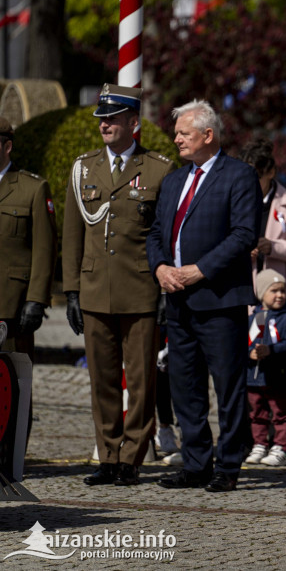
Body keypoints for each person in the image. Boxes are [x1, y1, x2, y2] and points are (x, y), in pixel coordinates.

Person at [62, 85, 176, 487]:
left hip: (141, 289)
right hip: (94, 289)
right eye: (101, 119)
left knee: (142, 381)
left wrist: (163, 290)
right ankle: (107, 455)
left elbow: (164, 234)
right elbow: (72, 235)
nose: (104, 125)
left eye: (112, 119)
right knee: (102, 380)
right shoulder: (83, 168)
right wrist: (72, 291)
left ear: (134, 122)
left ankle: (131, 458)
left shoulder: (159, 169)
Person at [146, 99, 261, 493]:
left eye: (184, 133)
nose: (176, 138)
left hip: (219, 299)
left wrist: (200, 269)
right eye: (177, 133)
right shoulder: (175, 180)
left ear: (208, 135)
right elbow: (156, 233)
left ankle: (228, 465)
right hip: (177, 300)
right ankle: (195, 463)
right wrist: (161, 268)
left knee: (227, 385)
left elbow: (244, 234)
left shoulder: (239, 175)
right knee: (185, 385)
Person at [0, 114, 56, 356]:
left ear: (7, 147)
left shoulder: (32, 188)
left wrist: (36, 300)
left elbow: (44, 248)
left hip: (10, 305)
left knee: (9, 383)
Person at [240, 138, 286, 321]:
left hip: (284, 297)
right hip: (250, 296)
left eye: (256, 178)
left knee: (282, 346)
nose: (249, 184)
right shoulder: (238, 204)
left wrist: (273, 247)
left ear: (270, 172)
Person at [244, 269, 286, 467]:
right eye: (273, 290)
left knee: (280, 412)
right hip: (254, 377)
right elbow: (244, 343)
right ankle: (259, 444)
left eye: (282, 290)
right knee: (257, 413)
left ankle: (280, 447)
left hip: (279, 376)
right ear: (261, 293)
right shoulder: (254, 318)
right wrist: (250, 352)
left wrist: (271, 350)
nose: (279, 295)